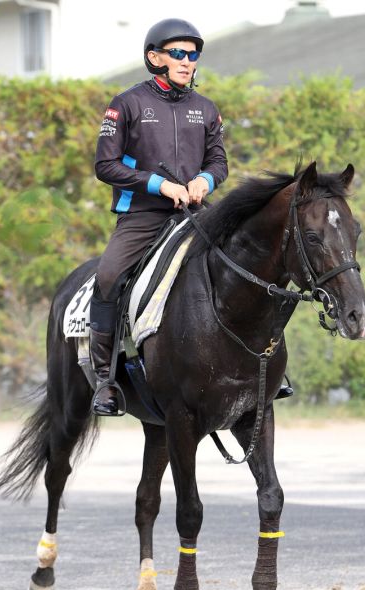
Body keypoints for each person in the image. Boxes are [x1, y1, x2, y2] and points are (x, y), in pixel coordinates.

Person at [90, 18, 228, 415]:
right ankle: (105, 382)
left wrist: (205, 180)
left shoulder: (206, 108)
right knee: (109, 276)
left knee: (244, 259)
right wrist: (159, 185)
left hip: (196, 213)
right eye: (179, 54)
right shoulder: (126, 104)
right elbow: (106, 166)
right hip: (142, 215)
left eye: (194, 54)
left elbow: (219, 161)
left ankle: (261, 371)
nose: (188, 61)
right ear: (155, 58)